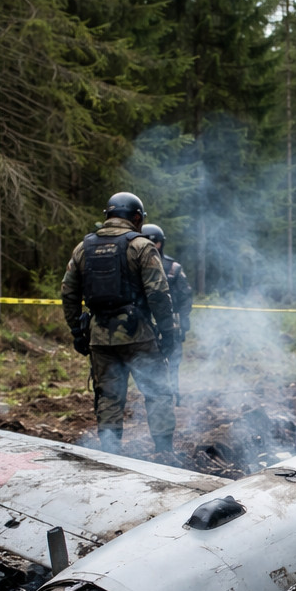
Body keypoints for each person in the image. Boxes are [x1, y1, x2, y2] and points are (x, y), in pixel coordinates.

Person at [61, 191, 179, 456]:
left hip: (99, 337)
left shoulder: (83, 248)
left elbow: (68, 293)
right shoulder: (141, 246)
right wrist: (168, 333)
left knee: (109, 396)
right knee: (158, 392)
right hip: (139, 336)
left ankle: (111, 454)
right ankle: (164, 453)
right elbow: (159, 294)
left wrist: (77, 333)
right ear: (136, 217)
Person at [142, 223, 192, 401]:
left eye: (156, 242)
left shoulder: (173, 268)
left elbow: (186, 295)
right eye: (148, 242)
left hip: (171, 320)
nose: (153, 246)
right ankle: (155, 394)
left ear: (161, 243)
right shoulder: (134, 265)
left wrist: (184, 319)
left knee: (174, 359)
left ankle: (175, 392)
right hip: (145, 321)